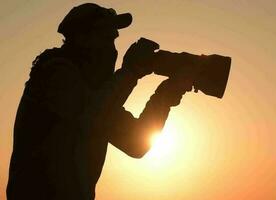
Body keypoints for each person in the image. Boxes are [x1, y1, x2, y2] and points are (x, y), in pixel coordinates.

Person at [7, 3, 192, 200]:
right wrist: (131, 71)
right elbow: (90, 115)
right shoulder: (55, 72)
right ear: (82, 38)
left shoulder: (95, 92)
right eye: (107, 38)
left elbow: (136, 144)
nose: (113, 50)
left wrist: (164, 97)